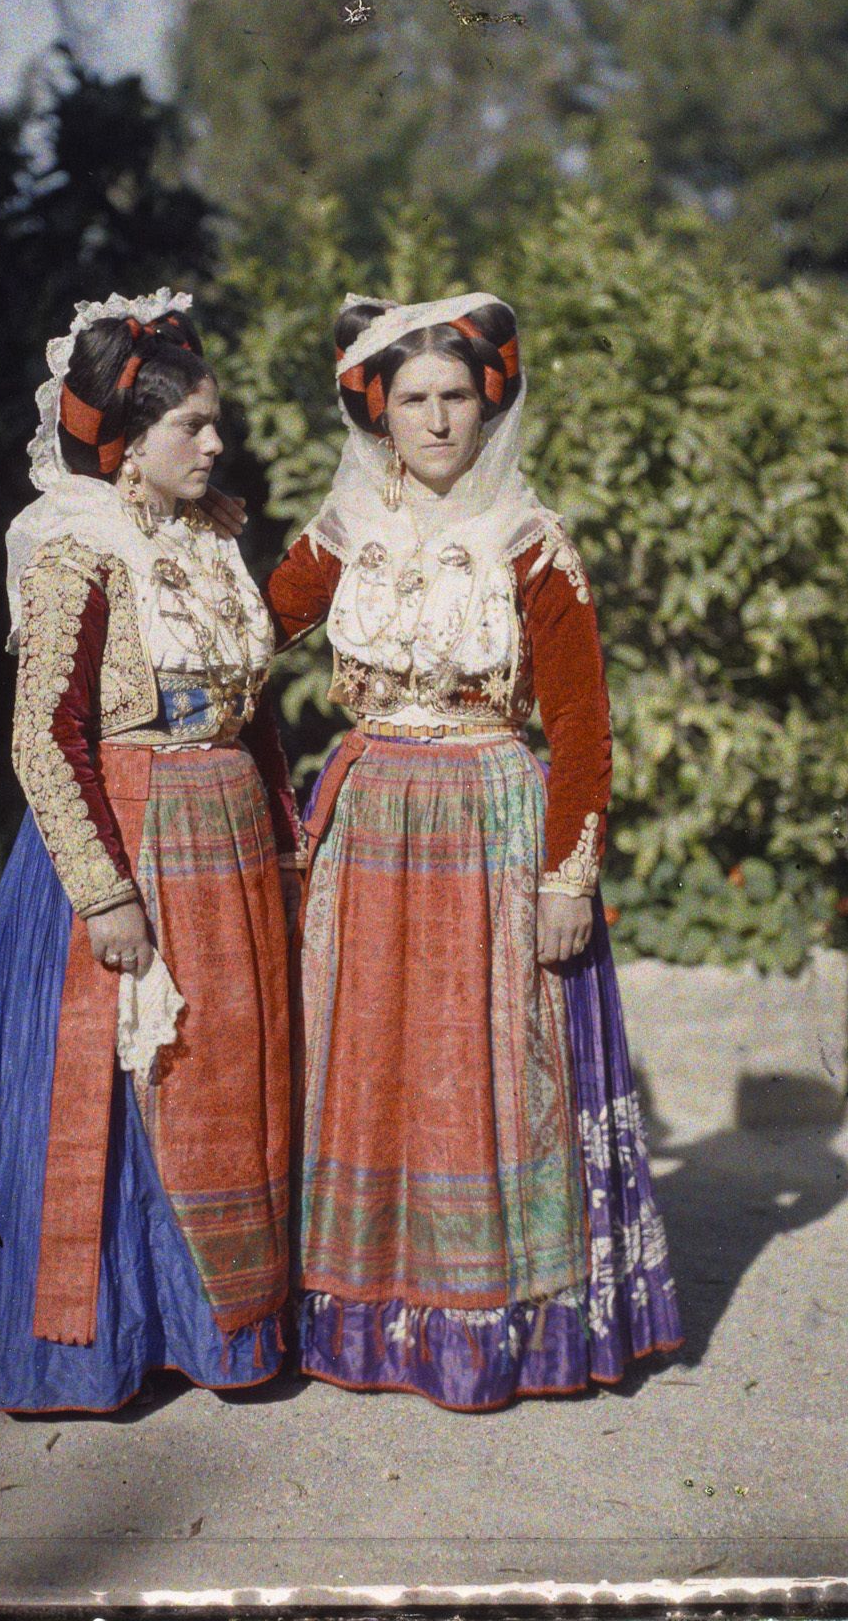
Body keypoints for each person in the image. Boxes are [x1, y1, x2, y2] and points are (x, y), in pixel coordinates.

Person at [265, 290, 683, 1411]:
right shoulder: (339, 533)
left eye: (456, 396)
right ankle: (351, 1311)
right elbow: (242, 637)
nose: (438, 419)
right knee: (365, 1053)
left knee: (482, 1057)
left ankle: (492, 1326)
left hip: (491, 817)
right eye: (414, 399)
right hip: (368, 818)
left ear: (487, 402)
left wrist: (568, 876)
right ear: (379, 411)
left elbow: (583, 725)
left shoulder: (530, 540)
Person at [0, 290, 301, 1414]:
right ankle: (95, 1343)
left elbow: (256, 708)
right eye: (193, 427)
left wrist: (282, 829)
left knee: (219, 1075)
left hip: (225, 844)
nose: (216, 443)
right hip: (125, 842)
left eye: (215, 423)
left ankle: (216, 1327)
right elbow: (43, 732)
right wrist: (103, 890)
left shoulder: (218, 535)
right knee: (124, 1076)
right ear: (126, 447)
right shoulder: (76, 546)